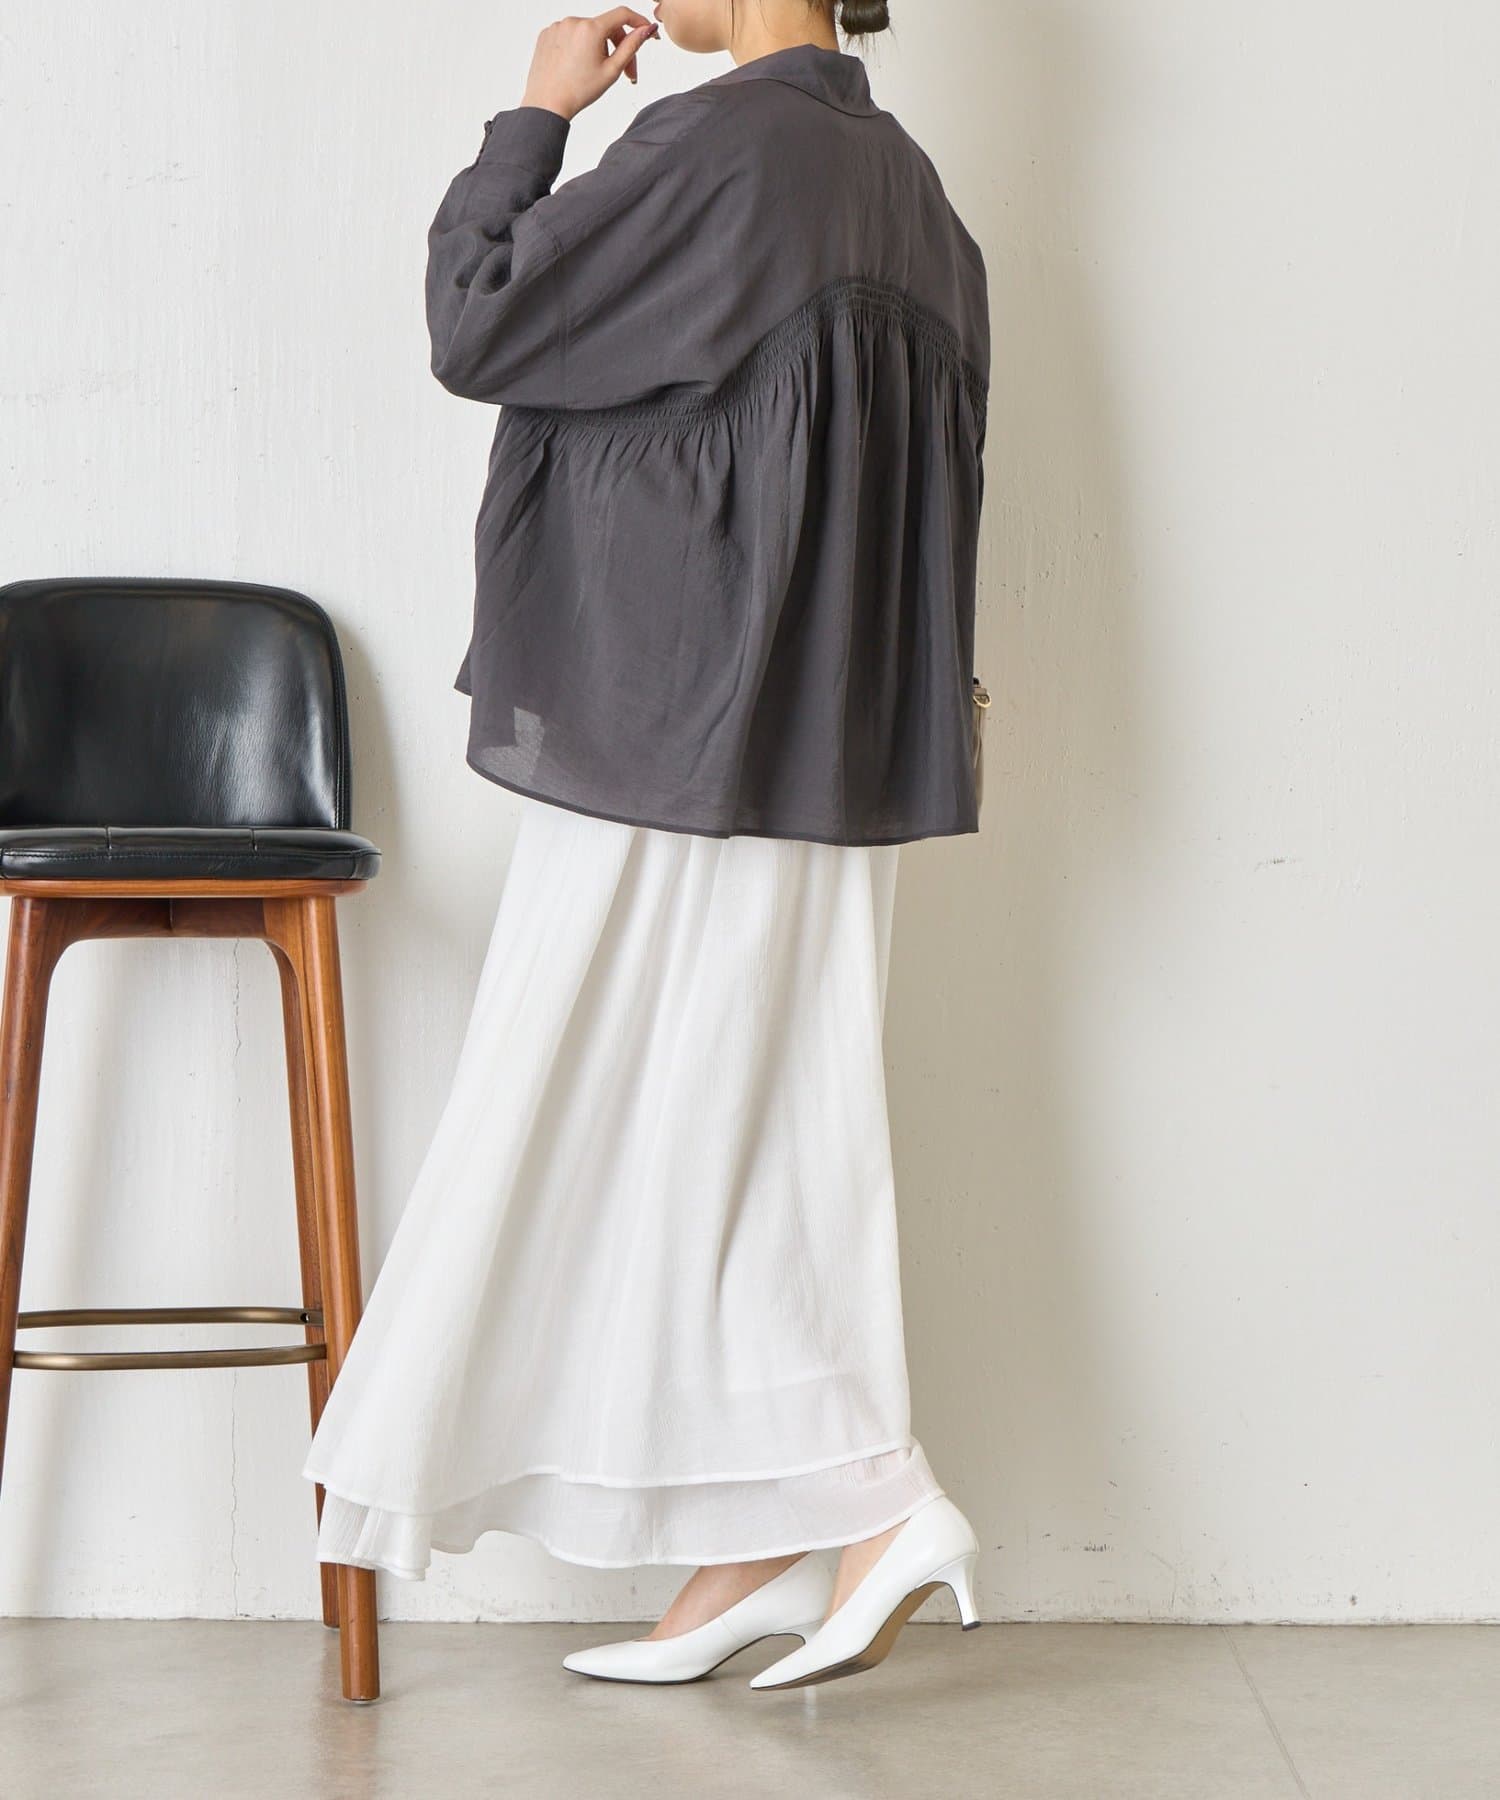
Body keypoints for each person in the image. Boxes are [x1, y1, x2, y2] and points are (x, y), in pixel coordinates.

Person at [303, 0, 990, 1691]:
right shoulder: (907, 185)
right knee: (755, 1135)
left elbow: (481, 317)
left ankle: (881, 1496)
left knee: (585, 1112)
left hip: (679, 730)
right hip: (832, 752)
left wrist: (536, 114)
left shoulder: (722, 147)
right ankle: (756, 1549)